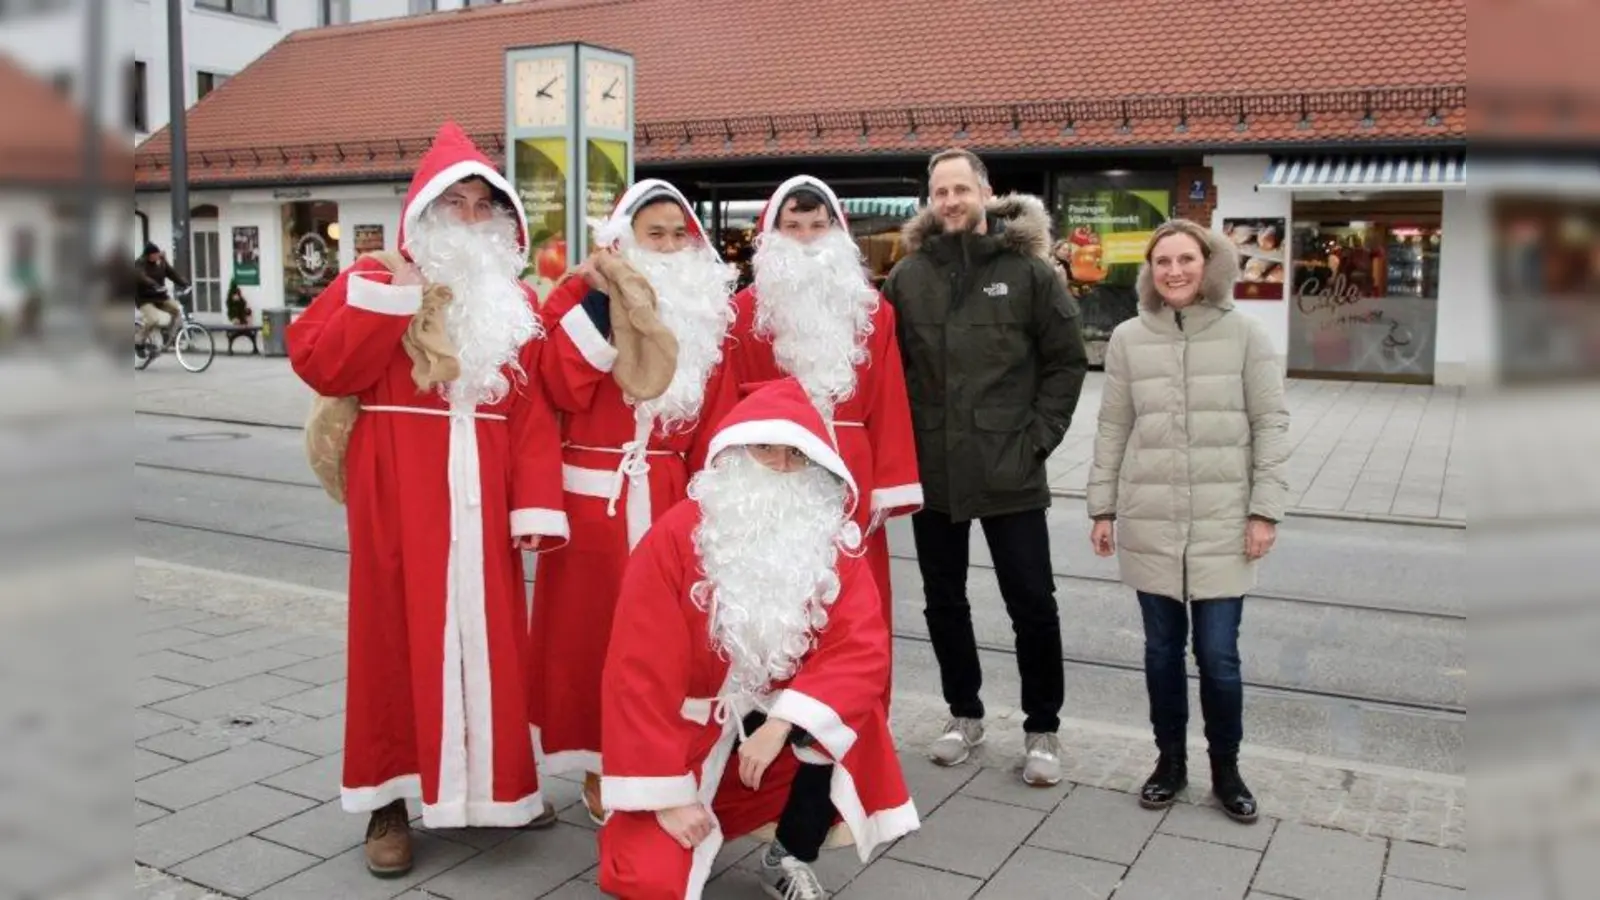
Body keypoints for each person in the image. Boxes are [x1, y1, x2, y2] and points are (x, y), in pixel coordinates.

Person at [287, 121, 569, 876]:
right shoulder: (376, 276)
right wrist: (388, 300)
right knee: (390, 646)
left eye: (487, 206)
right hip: (399, 493)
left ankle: (497, 789)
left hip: (484, 497)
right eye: (458, 204)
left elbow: (533, 412)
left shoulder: (514, 304)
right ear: (425, 214)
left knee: (494, 643)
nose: (474, 220)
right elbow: (319, 361)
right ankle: (386, 801)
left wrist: (536, 506)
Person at [597, 378, 918, 900]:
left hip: (773, 737)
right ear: (733, 451)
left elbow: (860, 649)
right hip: (681, 741)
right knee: (646, 881)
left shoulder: (829, 541)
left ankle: (786, 852)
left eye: (797, 454)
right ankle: (674, 812)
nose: (781, 466)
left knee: (846, 720)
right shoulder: (677, 536)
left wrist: (784, 722)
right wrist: (665, 797)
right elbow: (637, 673)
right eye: (765, 448)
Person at [528, 178, 740, 825]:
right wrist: (597, 298)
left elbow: (719, 422)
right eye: (657, 234)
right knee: (593, 642)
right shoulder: (581, 295)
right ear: (624, 241)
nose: (672, 245)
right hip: (598, 504)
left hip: (673, 498)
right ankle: (598, 763)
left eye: (681, 234)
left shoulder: (709, 316)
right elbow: (558, 384)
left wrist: (718, 509)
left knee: (665, 646)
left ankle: (655, 760)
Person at [882, 148, 1089, 786]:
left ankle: (1042, 727)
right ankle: (963, 714)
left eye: (961, 189)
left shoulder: (1028, 271)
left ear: (984, 191)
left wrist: (1038, 440)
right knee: (944, 601)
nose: (951, 200)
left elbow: (1066, 360)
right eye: (940, 191)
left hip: (1010, 469)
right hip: (934, 470)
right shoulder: (908, 276)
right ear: (930, 199)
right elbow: (886, 370)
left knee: (1031, 601)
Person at [1086, 219, 1290, 824]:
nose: (1173, 271)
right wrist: (1102, 506)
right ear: (1150, 271)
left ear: (1212, 265)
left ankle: (1226, 770)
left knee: (1220, 656)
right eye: (1162, 261)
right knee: (1160, 653)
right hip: (1152, 522)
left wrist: (1264, 511)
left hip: (1225, 525)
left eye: (1186, 260)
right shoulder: (1127, 338)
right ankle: (1169, 763)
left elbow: (1271, 425)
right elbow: (1113, 426)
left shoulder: (1247, 336)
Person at [719, 175, 921, 710]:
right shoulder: (744, 313)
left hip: (850, 477)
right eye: (793, 227)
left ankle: (854, 721)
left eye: (817, 225)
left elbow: (892, 401)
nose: (806, 238)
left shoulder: (873, 312)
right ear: (772, 234)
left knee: (854, 603)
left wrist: (889, 485)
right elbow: (729, 406)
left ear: (837, 231)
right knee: (774, 598)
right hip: (772, 473)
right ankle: (769, 719)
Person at [134, 242, 188, 353]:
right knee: (153, 320)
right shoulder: (139, 264)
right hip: (145, 299)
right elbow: (141, 277)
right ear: (148, 255)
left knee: (177, 310)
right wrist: (153, 284)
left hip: (160, 296)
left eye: (158, 254)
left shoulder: (161, 261)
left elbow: (171, 273)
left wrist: (184, 283)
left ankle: (168, 335)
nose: (157, 256)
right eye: (154, 254)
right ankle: (139, 341)